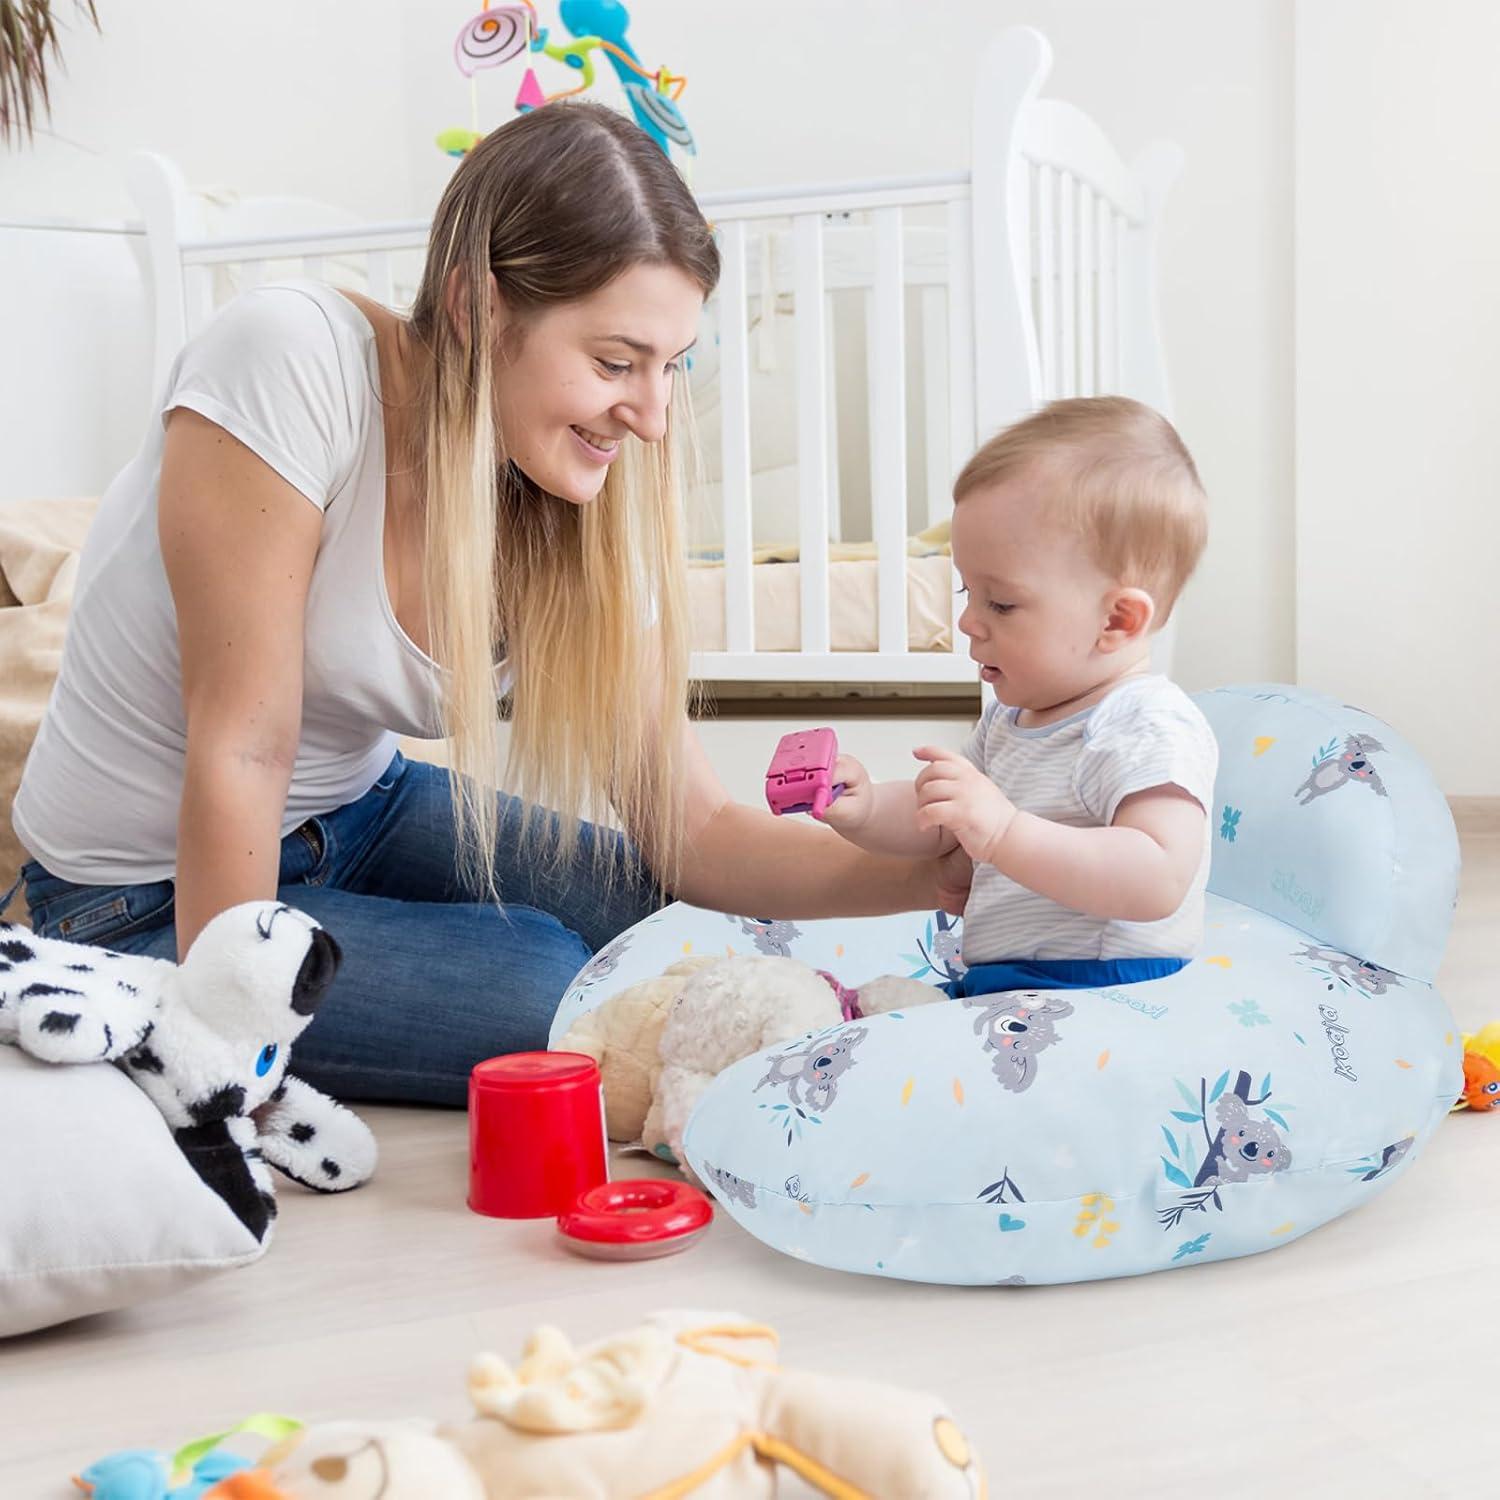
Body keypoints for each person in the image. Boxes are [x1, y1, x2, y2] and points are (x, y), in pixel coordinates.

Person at [11, 103, 962, 1105]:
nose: (652, 416)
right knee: (545, 986)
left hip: (357, 813)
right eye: (616, 362)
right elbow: (244, 749)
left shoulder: (572, 494)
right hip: (138, 892)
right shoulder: (289, 359)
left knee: (664, 920)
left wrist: (931, 877)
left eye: (671, 365)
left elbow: (697, 832)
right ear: (477, 307)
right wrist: (219, 1046)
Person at [818, 396, 1218, 999]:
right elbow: (942, 821)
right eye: (967, 592)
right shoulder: (1010, 721)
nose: (967, 622)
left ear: (1116, 620)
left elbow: (1157, 877)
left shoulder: (1145, 722)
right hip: (1006, 988)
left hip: (1106, 990)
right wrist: (868, 805)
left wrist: (1005, 833)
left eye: (1000, 603)